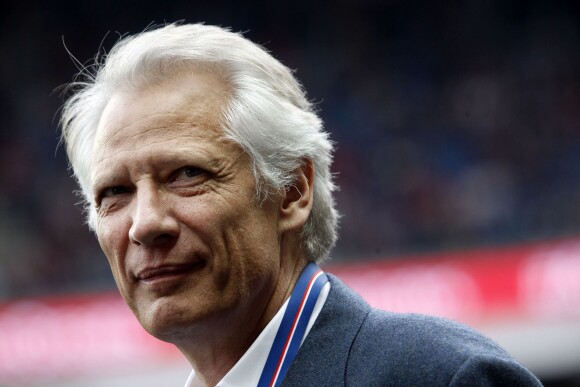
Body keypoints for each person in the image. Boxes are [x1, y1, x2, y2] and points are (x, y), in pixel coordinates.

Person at [59, 23, 542, 386]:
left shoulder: (441, 378)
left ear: (292, 191)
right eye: (115, 194)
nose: (145, 224)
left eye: (187, 174)